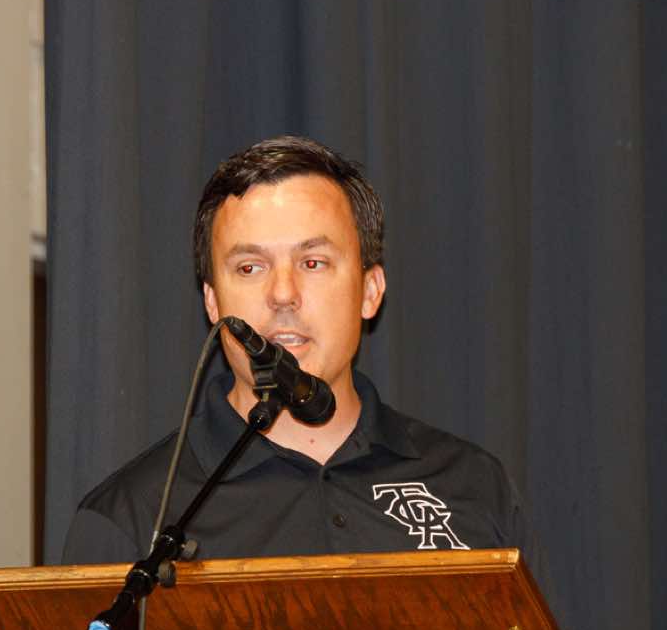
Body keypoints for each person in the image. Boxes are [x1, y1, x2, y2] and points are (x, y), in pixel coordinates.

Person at [60, 134, 532, 566]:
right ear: (212, 302)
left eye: (313, 262)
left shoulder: (474, 489)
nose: (283, 294)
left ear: (370, 291)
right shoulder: (131, 518)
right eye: (250, 267)